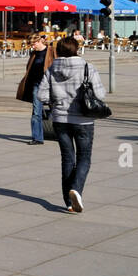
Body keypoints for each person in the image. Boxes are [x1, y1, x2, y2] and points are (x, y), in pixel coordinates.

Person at [37, 36, 107, 213]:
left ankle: (68, 202)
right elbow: (100, 95)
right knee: (84, 157)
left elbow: (42, 96)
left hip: (60, 120)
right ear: (76, 49)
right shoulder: (87, 67)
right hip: (83, 119)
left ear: (58, 51)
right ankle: (76, 189)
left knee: (67, 158)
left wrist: (57, 101)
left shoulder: (52, 68)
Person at [17, 34, 55, 145]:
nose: (32, 46)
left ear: (39, 42)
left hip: (50, 85)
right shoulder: (33, 54)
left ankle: (61, 134)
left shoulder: (51, 51)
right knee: (36, 112)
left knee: (56, 111)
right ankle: (37, 137)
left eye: (34, 44)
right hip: (36, 85)